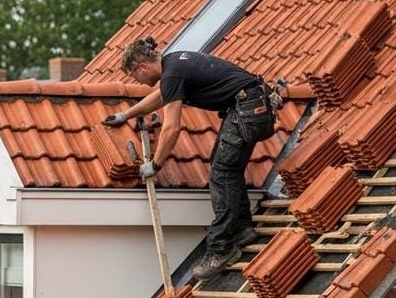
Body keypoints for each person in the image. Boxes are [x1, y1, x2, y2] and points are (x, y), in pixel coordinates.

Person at [103, 36, 277, 282]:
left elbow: (172, 127)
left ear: (142, 67)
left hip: (248, 109)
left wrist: (156, 164)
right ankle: (242, 228)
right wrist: (126, 114)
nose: (138, 82)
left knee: (222, 172)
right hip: (252, 105)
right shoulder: (173, 64)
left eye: (135, 77)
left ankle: (220, 250)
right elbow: (162, 96)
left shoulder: (173, 72)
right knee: (227, 166)